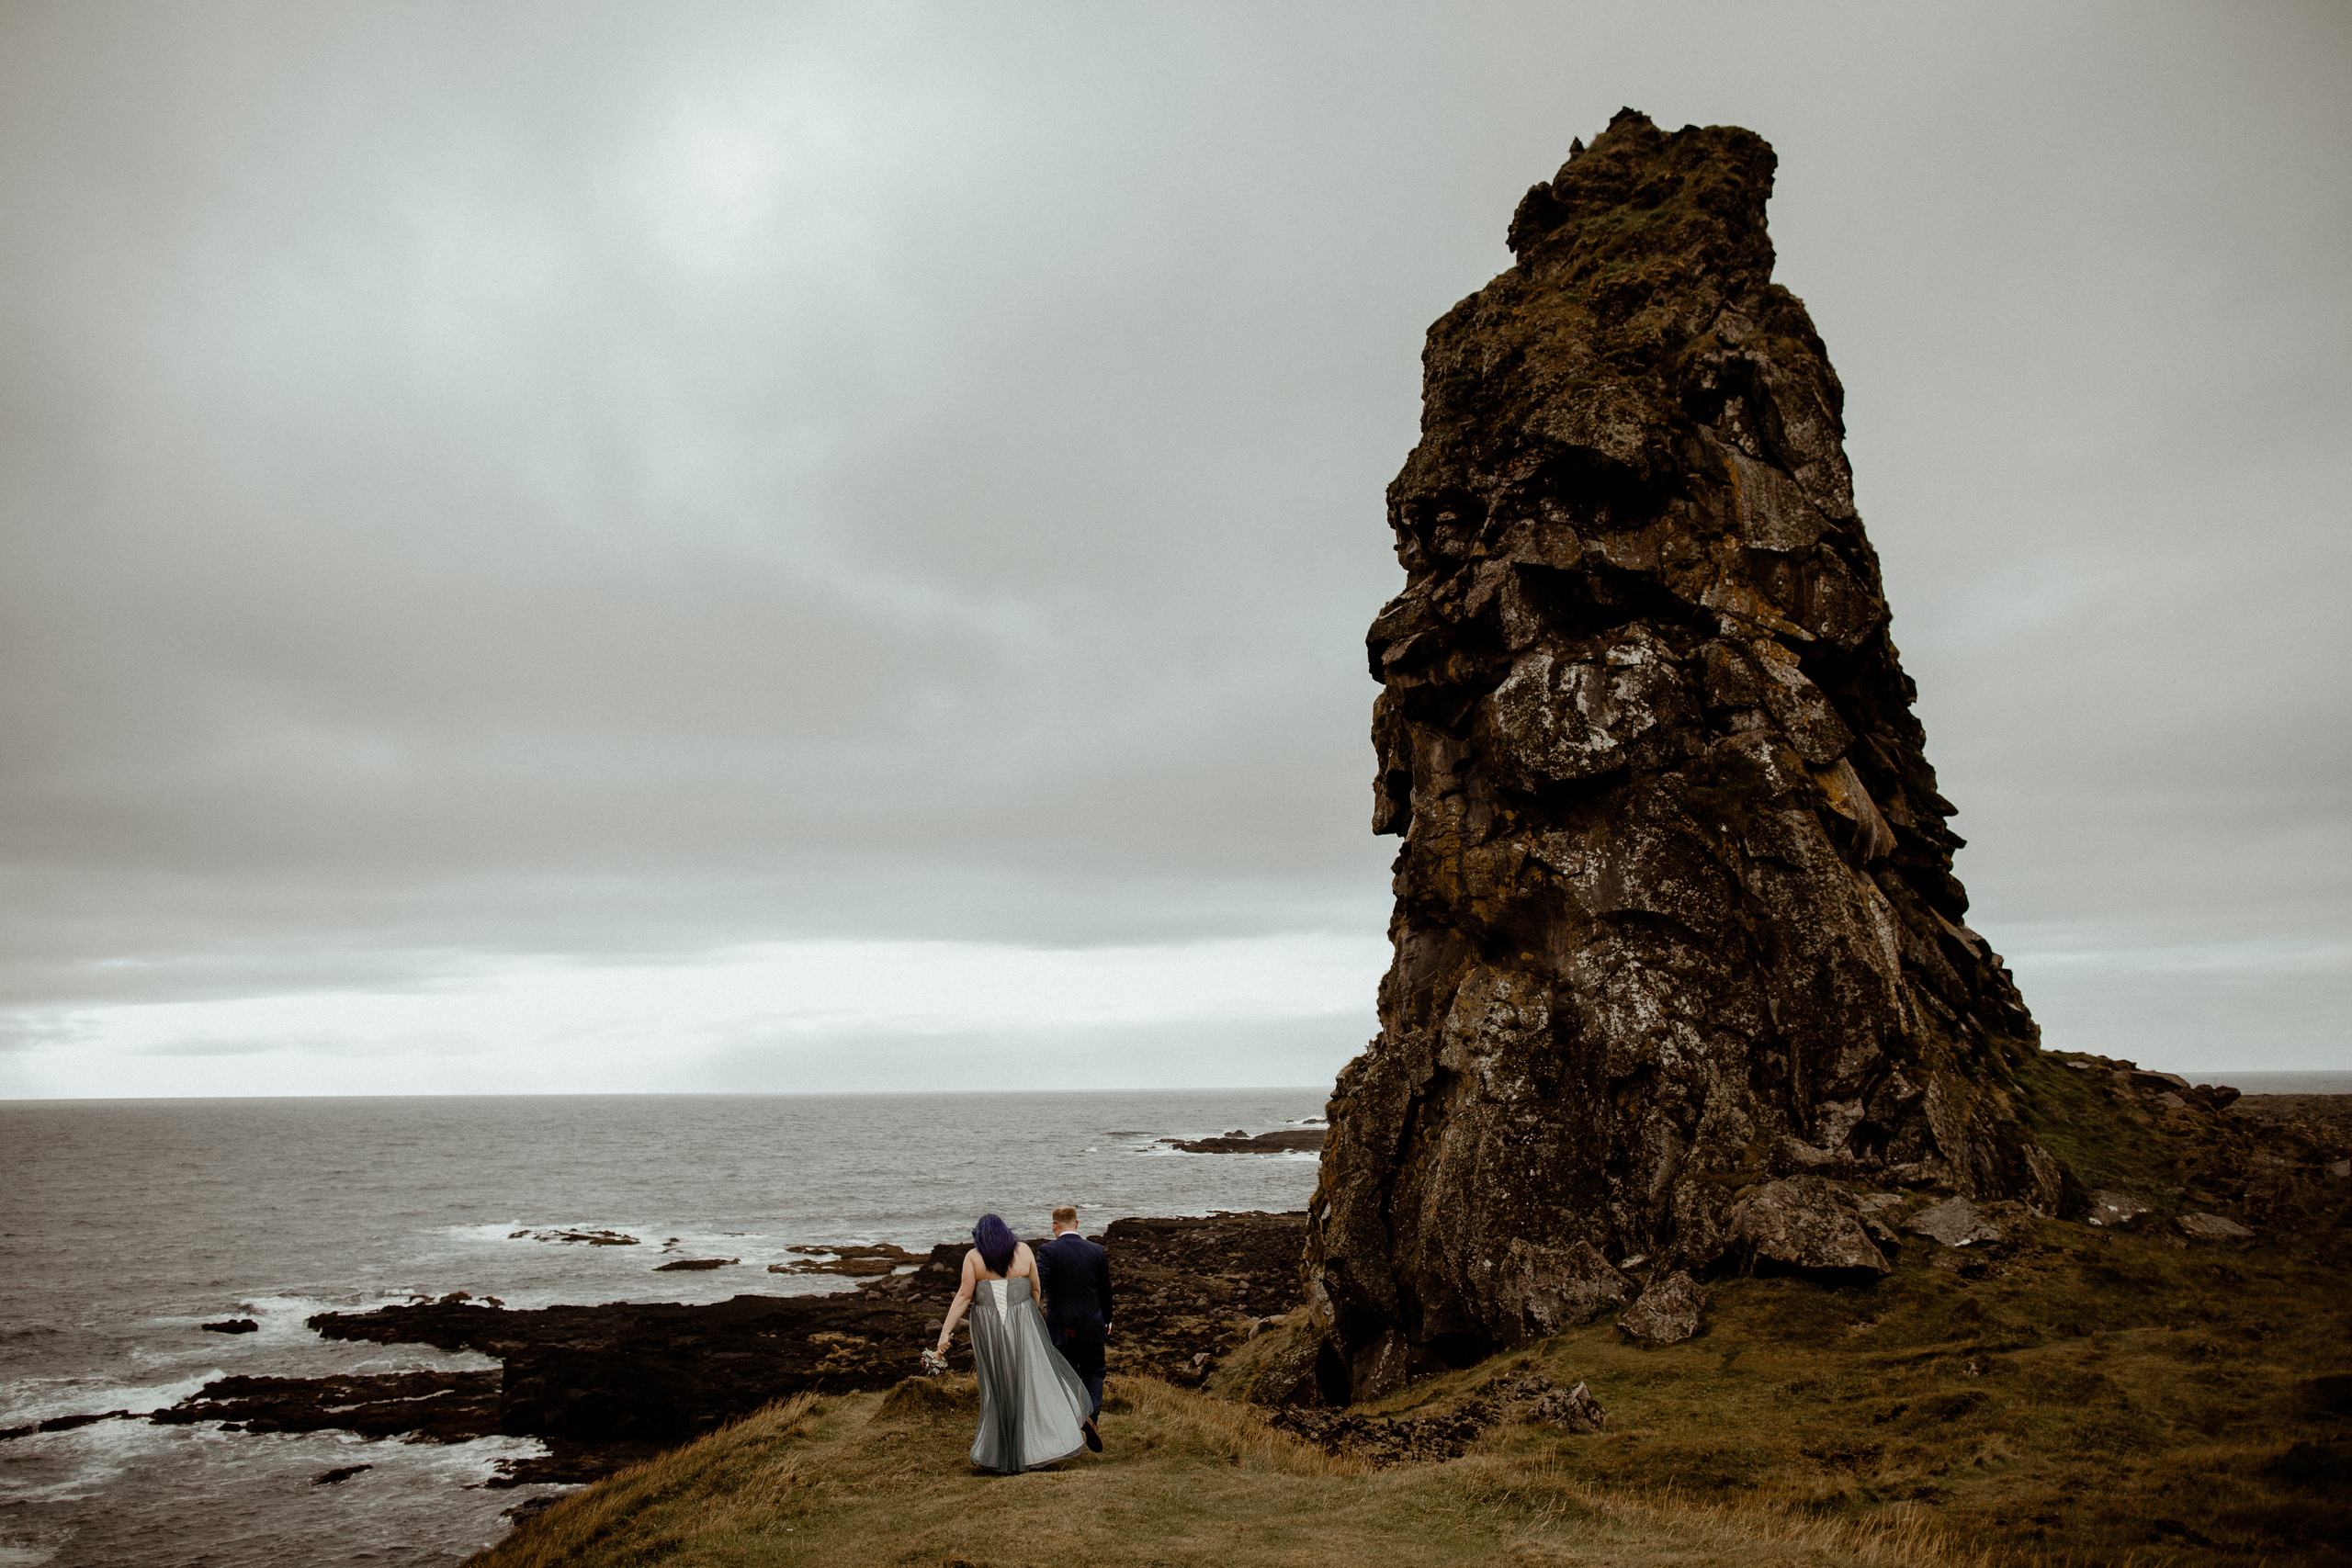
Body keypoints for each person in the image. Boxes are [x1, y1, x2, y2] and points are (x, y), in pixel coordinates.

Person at [933, 1213, 1099, 1472]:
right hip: (1025, 1325)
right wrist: (1032, 1318)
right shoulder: (1023, 1251)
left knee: (998, 1389)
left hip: (990, 1332)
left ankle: (1005, 1451)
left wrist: (944, 1334)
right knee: (1037, 1380)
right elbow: (1035, 1289)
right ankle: (1059, 1427)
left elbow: (964, 1295)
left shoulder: (974, 1258)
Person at [1034, 1204, 1114, 1427]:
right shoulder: (1096, 1250)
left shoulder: (1048, 1251)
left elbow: (1039, 1287)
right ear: (1077, 1224)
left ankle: (1069, 1422)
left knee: (1065, 1374)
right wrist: (1107, 1320)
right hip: (1092, 1323)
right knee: (1095, 1372)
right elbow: (1105, 1290)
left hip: (1061, 1326)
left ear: (1054, 1226)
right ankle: (1091, 1415)